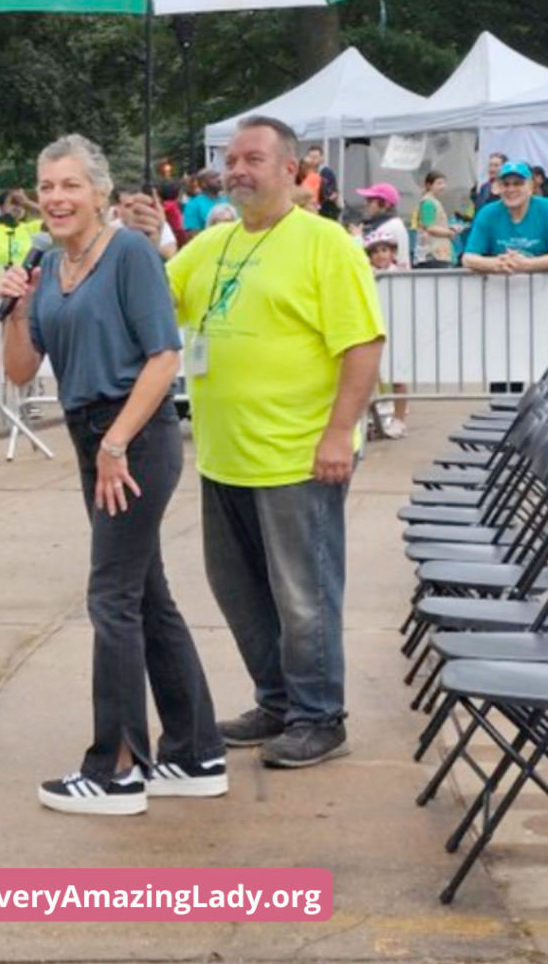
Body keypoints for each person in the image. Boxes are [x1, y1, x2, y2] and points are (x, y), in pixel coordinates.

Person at [0, 133, 225, 815]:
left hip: (134, 436)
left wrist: (118, 443)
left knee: (112, 598)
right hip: (88, 434)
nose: (57, 198)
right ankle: (196, 753)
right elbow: (20, 371)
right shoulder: (48, 265)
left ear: (100, 193)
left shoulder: (128, 254)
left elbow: (164, 356)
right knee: (147, 596)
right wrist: (14, 307)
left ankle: (116, 769)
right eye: (47, 187)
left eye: (71, 185)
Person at [167, 115, 386, 768]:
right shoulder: (212, 244)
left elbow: (362, 345)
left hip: (297, 457)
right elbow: (156, 300)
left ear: (291, 170)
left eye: (253, 158)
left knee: (303, 595)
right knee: (238, 590)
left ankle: (320, 716)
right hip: (224, 455)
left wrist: (339, 432)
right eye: (230, 159)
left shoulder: (326, 244)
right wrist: (145, 242)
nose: (237, 169)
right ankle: (278, 701)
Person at [463, 160, 548, 434]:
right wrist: (495, 264)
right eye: (506, 184)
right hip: (504, 303)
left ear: (531, 186)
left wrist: (526, 265)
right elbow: (469, 257)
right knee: (504, 360)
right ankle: (505, 426)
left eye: (518, 183)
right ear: (497, 187)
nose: (511, 189)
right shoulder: (489, 213)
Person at [364, 228, 409, 439]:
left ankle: (399, 420)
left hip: (397, 329)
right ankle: (372, 419)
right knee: (370, 378)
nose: (380, 255)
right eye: (375, 252)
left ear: (392, 252)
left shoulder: (399, 273)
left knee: (398, 377)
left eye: (384, 250)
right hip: (374, 330)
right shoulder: (366, 274)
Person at [357, 183, 410, 269]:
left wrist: (357, 237)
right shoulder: (376, 224)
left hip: (389, 276)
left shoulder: (392, 226)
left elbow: (361, 255)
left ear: (385, 204)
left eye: (370, 202)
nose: (367, 205)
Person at [414, 171, 459, 269]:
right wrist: (450, 233)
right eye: (438, 183)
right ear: (429, 185)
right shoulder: (428, 203)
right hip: (433, 254)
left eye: (443, 183)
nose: (442, 186)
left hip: (440, 252)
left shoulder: (434, 201)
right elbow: (430, 227)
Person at [298, 145, 341, 220]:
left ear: (322, 158)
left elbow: (332, 193)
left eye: (315, 157)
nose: (313, 160)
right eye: (311, 157)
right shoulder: (302, 175)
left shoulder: (326, 173)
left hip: (324, 212)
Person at [181, 168, 226, 238]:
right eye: (214, 177)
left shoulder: (227, 200)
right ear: (203, 184)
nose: (219, 179)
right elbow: (193, 236)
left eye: (219, 176)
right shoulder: (193, 205)